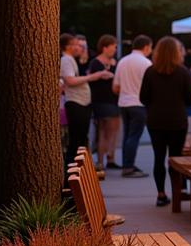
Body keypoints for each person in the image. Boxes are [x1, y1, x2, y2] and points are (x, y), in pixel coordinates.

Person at [140, 36, 191, 207]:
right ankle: (177, 193)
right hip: (177, 120)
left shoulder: (150, 71)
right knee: (176, 158)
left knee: (159, 157)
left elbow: (143, 97)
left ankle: (161, 193)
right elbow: (190, 99)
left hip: (155, 120)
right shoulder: (183, 72)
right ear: (176, 52)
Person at [60, 33, 110, 167]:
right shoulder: (66, 60)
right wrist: (93, 76)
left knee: (81, 139)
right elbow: (69, 80)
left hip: (81, 103)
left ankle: (80, 170)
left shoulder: (71, 59)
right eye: (76, 45)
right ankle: (72, 173)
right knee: (77, 140)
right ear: (68, 46)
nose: (79, 48)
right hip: (76, 103)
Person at [114, 35, 153, 177]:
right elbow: (151, 87)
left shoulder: (122, 61)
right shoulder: (146, 63)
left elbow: (115, 87)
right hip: (138, 103)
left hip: (124, 102)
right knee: (134, 136)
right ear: (146, 47)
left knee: (127, 135)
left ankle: (127, 163)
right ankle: (129, 167)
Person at [88, 35, 120, 172]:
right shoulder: (95, 63)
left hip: (114, 100)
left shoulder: (115, 62)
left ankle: (110, 158)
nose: (115, 50)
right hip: (102, 100)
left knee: (113, 132)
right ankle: (101, 160)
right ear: (104, 47)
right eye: (113, 47)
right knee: (104, 131)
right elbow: (91, 80)